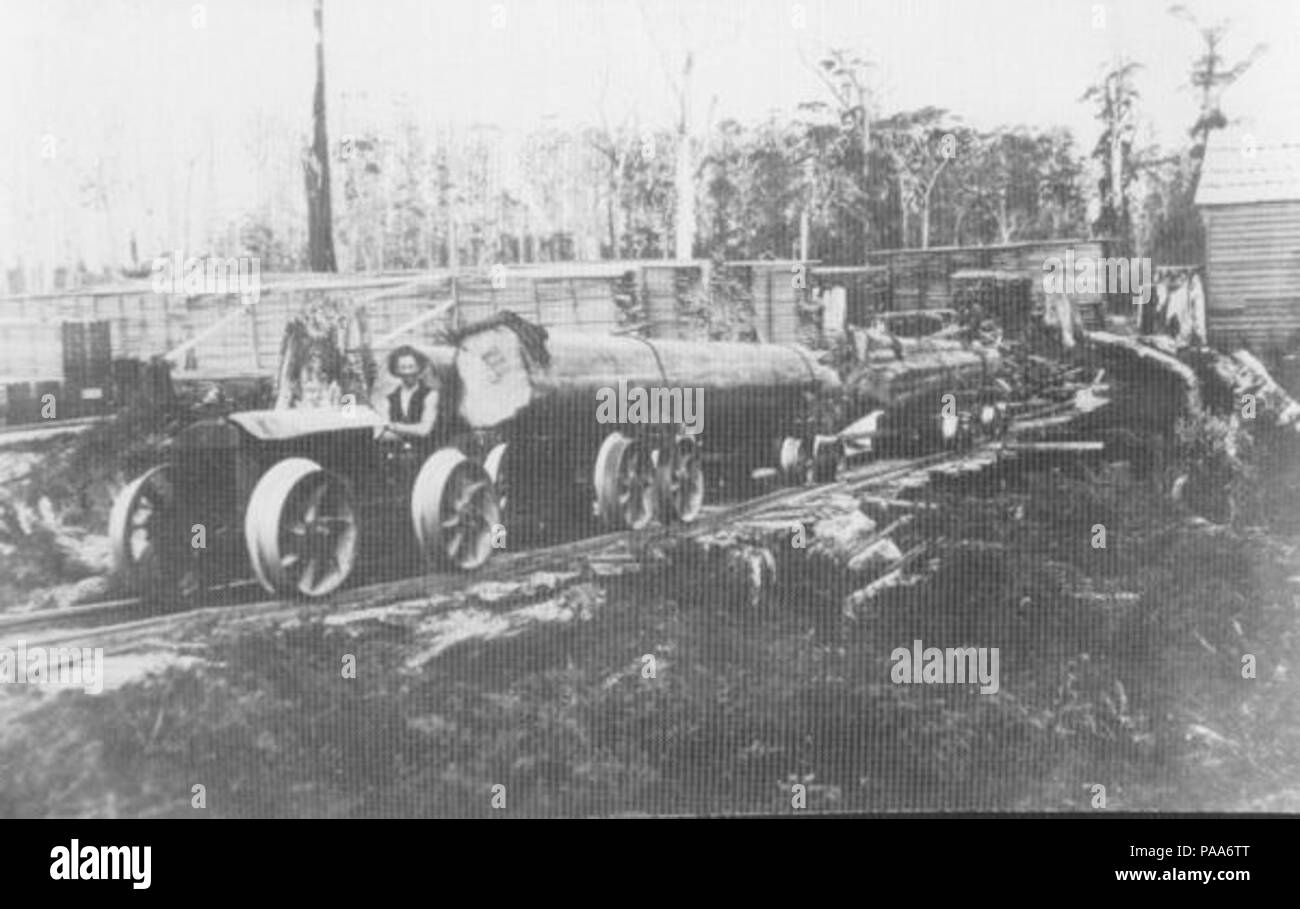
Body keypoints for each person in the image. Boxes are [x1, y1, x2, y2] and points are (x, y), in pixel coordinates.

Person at [380, 345, 439, 441]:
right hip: (396, 452)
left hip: (426, 451)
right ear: (396, 370)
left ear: (419, 368)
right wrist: (412, 430)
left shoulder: (431, 395)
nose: (407, 372)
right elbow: (383, 433)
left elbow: (424, 430)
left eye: (411, 367)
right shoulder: (389, 399)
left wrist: (394, 426)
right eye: (403, 367)